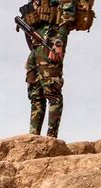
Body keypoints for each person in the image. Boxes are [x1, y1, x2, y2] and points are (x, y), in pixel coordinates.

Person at [22, 0, 78, 138]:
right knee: (35, 94)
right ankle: (33, 137)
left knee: (52, 92)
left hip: (50, 45)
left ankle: (51, 138)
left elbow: (68, 16)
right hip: (36, 48)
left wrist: (59, 44)